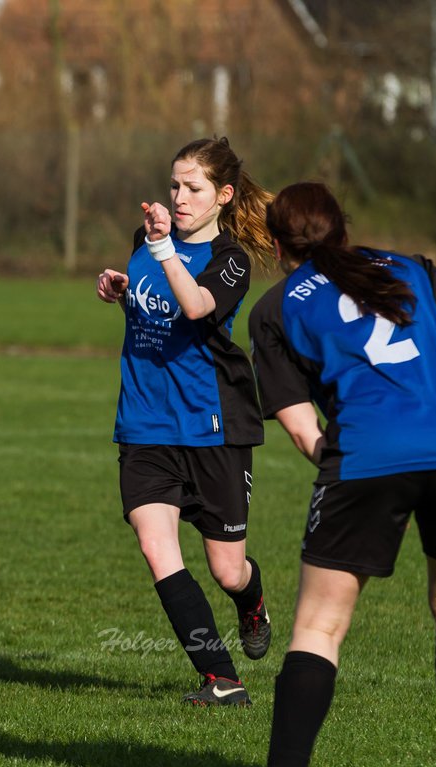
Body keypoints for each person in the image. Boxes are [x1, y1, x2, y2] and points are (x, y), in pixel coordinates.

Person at [245, 182, 436, 767]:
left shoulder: (274, 309)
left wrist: (350, 464)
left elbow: (303, 430)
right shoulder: (416, 269)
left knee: (319, 626)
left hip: (368, 455)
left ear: (277, 246)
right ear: (342, 229)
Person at [95, 137, 274, 706]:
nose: (179, 197)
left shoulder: (230, 261)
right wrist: (124, 292)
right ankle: (220, 678)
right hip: (145, 423)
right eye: (174, 186)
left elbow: (196, 307)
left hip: (212, 427)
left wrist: (163, 247)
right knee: (156, 548)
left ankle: (252, 602)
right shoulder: (146, 244)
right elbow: (158, 308)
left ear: (222, 195)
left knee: (228, 570)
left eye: (193, 188)